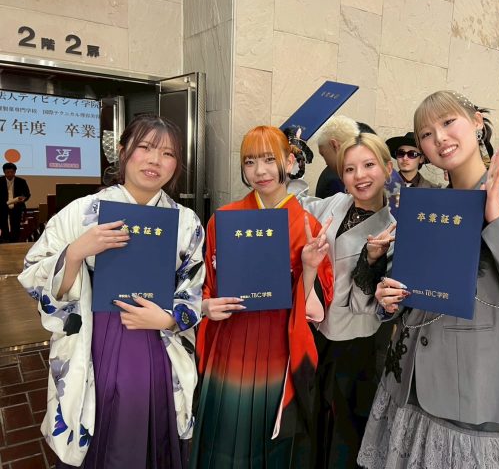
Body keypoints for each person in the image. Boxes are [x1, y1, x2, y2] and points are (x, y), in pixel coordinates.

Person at [357, 90, 499, 469]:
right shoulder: (429, 203)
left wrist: (495, 216)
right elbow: (410, 288)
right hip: (406, 380)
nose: (439, 138)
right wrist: (389, 299)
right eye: (426, 134)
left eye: (448, 122)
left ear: (477, 122)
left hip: (469, 391)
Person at [18, 115, 205, 468]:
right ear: (122, 152)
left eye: (167, 153)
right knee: (97, 422)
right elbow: (34, 273)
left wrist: (168, 318)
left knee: (150, 423)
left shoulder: (186, 221)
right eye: (145, 147)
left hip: (156, 340)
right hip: (95, 338)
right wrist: (75, 252)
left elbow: (193, 288)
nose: (155, 160)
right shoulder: (80, 213)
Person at [191, 126, 334, 468]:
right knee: (225, 428)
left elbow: (316, 308)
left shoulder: (308, 225)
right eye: (250, 162)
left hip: (278, 343)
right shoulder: (223, 219)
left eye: (270, 159)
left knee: (270, 438)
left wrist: (309, 267)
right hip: (230, 338)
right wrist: (207, 305)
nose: (260, 171)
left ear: (290, 162)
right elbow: (206, 284)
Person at [298, 132, 396, 468]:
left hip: (356, 341)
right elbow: (297, 209)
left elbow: (365, 305)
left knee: (346, 426)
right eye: (350, 169)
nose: (360, 176)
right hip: (319, 330)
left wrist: (370, 260)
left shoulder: (392, 229)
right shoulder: (337, 203)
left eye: (369, 165)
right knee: (315, 414)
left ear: (387, 169)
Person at [0, 162, 31, 242]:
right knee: (3, 225)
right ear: (4, 172)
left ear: (15, 172)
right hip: (2, 208)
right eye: (7, 172)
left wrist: (23, 199)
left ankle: (15, 241)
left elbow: (27, 194)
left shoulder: (21, 181)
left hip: (17, 207)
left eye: (12, 172)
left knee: (16, 226)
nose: (10, 174)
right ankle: (5, 240)